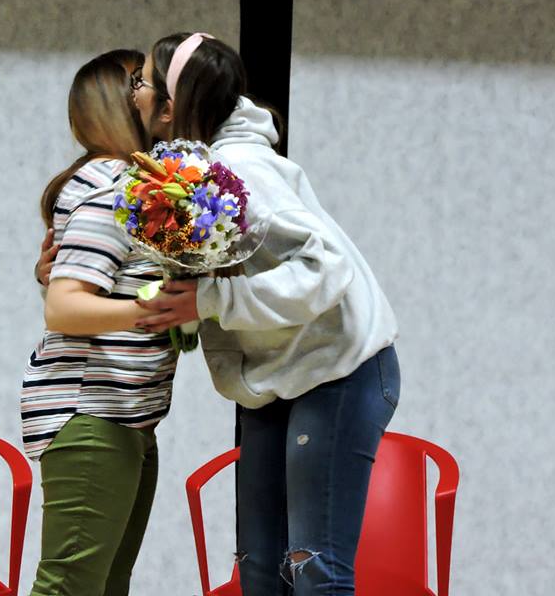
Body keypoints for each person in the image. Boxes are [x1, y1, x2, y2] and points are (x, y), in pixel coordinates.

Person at [131, 33, 401, 596]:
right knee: (260, 571)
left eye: (144, 84)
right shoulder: (199, 170)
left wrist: (209, 302)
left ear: (173, 106)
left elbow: (326, 268)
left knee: (315, 568)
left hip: (340, 369)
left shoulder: (241, 170)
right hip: (281, 378)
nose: (134, 96)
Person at [22, 49, 177, 596]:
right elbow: (65, 306)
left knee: (104, 588)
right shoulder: (113, 189)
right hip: (93, 417)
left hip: (127, 418)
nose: (158, 94)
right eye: (145, 83)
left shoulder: (133, 184)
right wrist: (152, 310)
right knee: (68, 589)